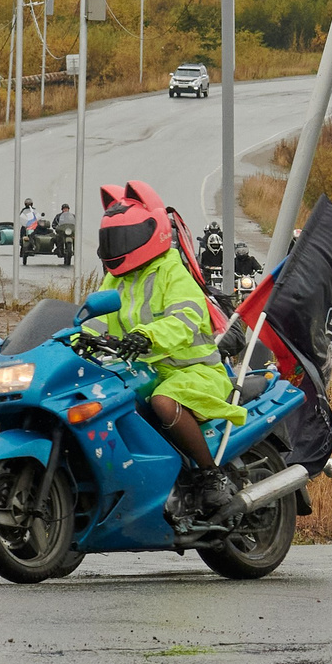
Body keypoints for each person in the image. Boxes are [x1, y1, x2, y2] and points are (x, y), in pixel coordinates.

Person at [89, 181, 248, 536]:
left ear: (153, 231)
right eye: (111, 239)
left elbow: (184, 319)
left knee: (163, 401)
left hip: (195, 373)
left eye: (124, 237)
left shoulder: (172, 272)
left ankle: (211, 476)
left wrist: (146, 336)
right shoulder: (115, 281)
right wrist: (69, 341)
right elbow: (92, 321)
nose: (116, 246)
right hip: (145, 373)